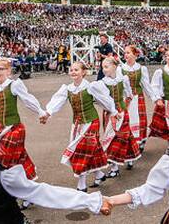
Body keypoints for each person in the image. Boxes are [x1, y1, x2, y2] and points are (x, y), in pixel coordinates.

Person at [0, 57, 46, 199]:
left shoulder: (13, 85)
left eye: (1, 69)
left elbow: (28, 99)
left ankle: (15, 192)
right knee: (17, 160)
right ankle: (27, 190)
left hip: (15, 129)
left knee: (7, 160)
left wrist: (41, 112)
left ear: (9, 71)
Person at [42, 61, 116, 191]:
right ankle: (99, 174)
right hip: (77, 123)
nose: (73, 72)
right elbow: (57, 101)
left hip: (91, 122)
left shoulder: (91, 87)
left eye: (76, 70)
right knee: (89, 151)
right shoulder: (68, 88)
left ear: (83, 72)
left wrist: (114, 111)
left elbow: (105, 99)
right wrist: (48, 113)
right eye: (71, 70)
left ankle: (81, 184)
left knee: (81, 151)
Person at [99, 57, 140, 176]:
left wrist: (124, 106)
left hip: (122, 112)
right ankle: (114, 167)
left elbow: (129, 94)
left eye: (106, 67)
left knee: (125, 136)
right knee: (111, 138)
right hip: (110, 114)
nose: (104, 70)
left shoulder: (123, 79)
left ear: (115, 67)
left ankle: (129, 158)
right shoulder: (102, 83)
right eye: (103, 67)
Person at [118, 45, 151, 152]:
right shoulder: (120, 69)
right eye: (125, 53)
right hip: (125, 98)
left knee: (139, 119)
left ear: (135, 54)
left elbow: (146, 85)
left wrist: (155, 98)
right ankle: (129, 142)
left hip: (138, 97)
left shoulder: (141, 69)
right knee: (127, 120)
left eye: (128, 53)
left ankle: (139, 141)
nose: (125, 55)